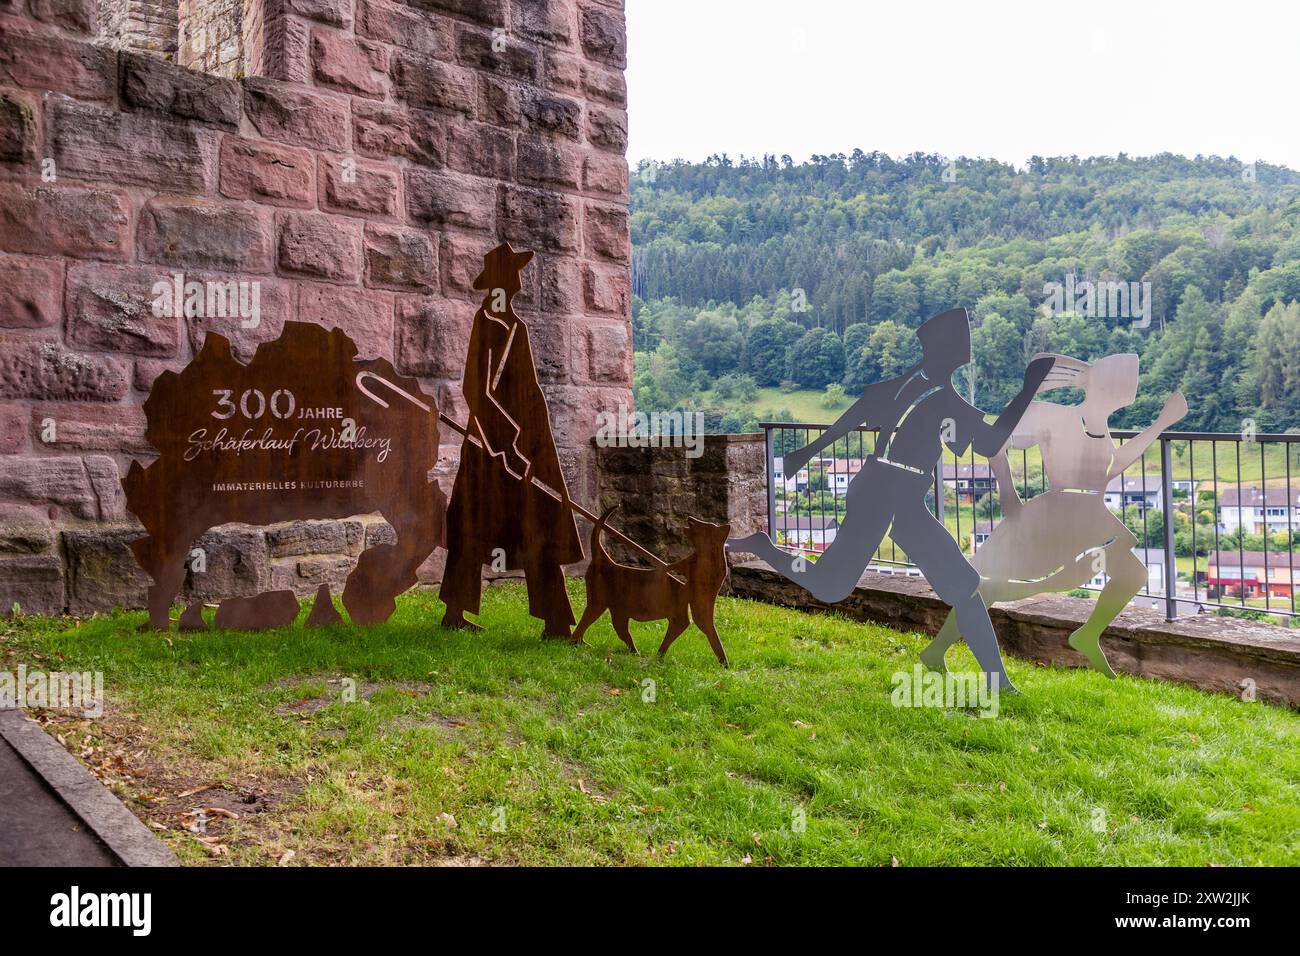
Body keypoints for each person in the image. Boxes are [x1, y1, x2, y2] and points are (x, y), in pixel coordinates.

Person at [729, 309, 1053, 692]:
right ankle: (766, 548)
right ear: (951, 351)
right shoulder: (938, 398)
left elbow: (854, 416)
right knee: (830, 586)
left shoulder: (913, 388)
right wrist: (1029, 387)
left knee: (963, 584)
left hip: (901, 496)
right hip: (880, 491)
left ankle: (998, 683)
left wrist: (807, 452)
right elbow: (991, 442)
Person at [919, 354, 1187, 678]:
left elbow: (1113, 466)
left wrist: (1160, 424)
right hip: (1058, 515)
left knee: (1132, 575)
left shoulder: (1100, 430)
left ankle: (1088, 635)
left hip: (1091, 515)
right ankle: (937, 649)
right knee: (1007, 587)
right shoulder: (1054, 417)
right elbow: (994, 441)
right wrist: (1007, 490)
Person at [440, 243, 583, 639]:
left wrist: (529, 444)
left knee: (539, 526)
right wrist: (507, 446)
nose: (521, 278)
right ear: (503, 280)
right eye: (514, 271)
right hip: (496, 447)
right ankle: (456, 612)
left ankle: (555, 621)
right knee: (473, 525)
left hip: (526, 446)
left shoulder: (512, 323)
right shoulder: (490, 323)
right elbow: (477, 389)